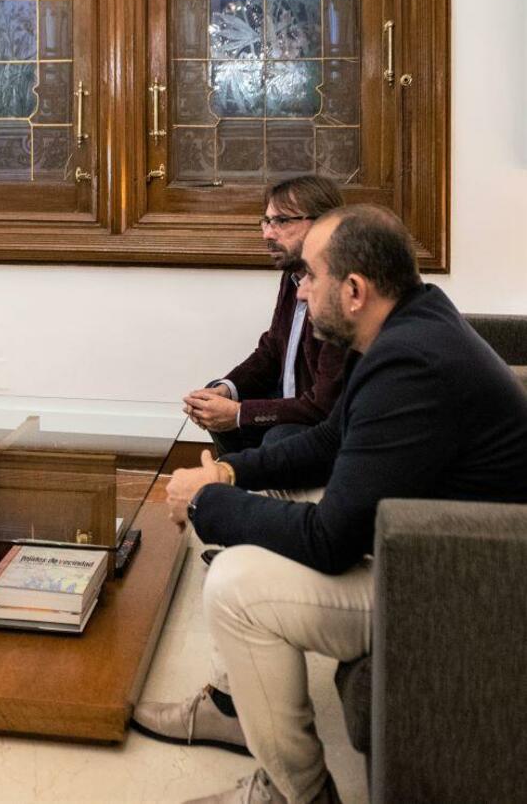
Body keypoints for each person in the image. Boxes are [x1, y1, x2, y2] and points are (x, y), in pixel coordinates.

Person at [134, 205, 527, 804]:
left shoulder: (411, 362)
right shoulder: (412, 321)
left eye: (309, 277)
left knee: (237, 588)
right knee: (272, 492)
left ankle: (296, 794)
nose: (300, 292)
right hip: (434, 545)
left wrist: (209, 497)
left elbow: (330, 537)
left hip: (464, 587)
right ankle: (233, 704)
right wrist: (233, 471)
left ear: (353, 290)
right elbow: (331, 439)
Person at [184, 176, 347, 456]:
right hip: (293, 408)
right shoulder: (293, 275)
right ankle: (241, 487)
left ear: (324, 224)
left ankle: (251, 489)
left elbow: (324, 407)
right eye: (266, 221)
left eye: (282, 221)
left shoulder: (342, 290)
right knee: (214, 399)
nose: (268, 234)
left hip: (330, 426)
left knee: (279, 436)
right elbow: (272, 349)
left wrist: (239, 413)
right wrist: (227, 391)